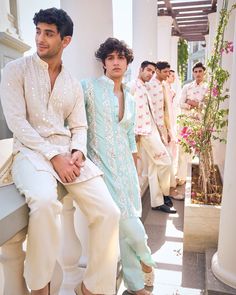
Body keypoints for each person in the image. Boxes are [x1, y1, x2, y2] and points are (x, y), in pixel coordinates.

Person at [0, 8, 120, 295]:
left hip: (67, 153)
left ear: (65, 41)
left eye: (49, 34)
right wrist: (54, 157)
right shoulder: (15, 70)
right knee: (43, 203)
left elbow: (80, 125)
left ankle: (91, 288)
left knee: (109, 212)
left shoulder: (71, 84)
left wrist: (77, 150)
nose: (40, 39)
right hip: (29, 153)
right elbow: (17, 123)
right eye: (38, 31)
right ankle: (40, 287)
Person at [81, 38, 156, 295]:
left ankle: (135, 285)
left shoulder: (131, 98)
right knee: (128, 224)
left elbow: (128, 134)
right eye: (110, 58)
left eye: (120, 58)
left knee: (126, 225)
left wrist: (135, 162)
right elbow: (75, 123)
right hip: (100, 168)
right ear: (103, 63)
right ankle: (147, 258)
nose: (115, 62)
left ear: (127, 63)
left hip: (126, 168)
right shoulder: (88, 88)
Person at [130, 61, 177, 214]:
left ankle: (157, 202)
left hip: (152, 129)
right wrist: (132, 132)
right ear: (140, 69)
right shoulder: (132, 86)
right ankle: (163, 194)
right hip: (143, 132)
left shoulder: (145, 86)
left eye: (151, 71)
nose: (150, 74)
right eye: (148, 70)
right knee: (165, 161)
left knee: (154, 167)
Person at [176, 62, 208, 185]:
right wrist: (190, 105)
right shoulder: (187, 87)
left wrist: (196, 104)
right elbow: (180, 103)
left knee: (196, 150)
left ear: (204, 72)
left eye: (200, 71)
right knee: (183, 149)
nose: (198, 74)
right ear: (193, 73)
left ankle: (194, 177)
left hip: (199, 123)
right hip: (186, 122)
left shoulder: (207, 88)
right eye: (195, 71)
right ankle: (181, 177)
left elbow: (207, 106)